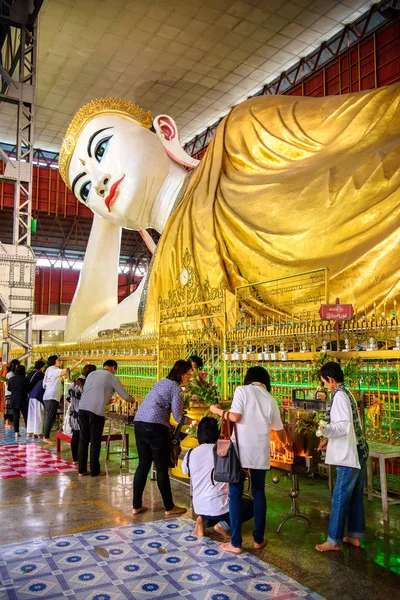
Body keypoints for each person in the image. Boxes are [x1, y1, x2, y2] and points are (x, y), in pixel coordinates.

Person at [59, 86, 400, 340]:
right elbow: (78, 336)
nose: (98, 183)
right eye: (85, 189)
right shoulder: (160, 279)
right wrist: (105, 216)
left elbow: (376, 118)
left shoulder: (243, 133)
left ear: (164, 131)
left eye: (102, 148)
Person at [210, 366, 287, 554]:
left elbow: (235, 416)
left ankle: (235, 543)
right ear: (264, 381)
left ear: (248, 378)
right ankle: (258, 540)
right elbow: (280, 431)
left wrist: (217, 410)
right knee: (259, 492)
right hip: (260, 453)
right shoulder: (270, 399)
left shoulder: (241, 390)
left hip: (239, 453)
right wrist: (287, 445)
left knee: (235, 493)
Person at [315, 362, 369, 553]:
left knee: (339, 496)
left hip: (350, 454)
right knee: (354, 496)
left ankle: (333, 540)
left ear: (331, 379)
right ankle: (354, 535)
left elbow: (344, 425)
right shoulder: (346, 393)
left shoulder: (339, 396)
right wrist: (328, 440)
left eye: (325, 383)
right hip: (359, 450)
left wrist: (324, 431)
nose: (325, 387)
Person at [133, 359, 192, 516]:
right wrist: (193, 421)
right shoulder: (177, 389)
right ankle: (169, 507)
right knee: (161, 468)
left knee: (143, 465)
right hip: (155, 428)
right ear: (182, 373)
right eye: (188, 373)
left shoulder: (162, 382)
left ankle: (136, 505)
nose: (190, 376)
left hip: (139, 423)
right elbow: (179, 417)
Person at [182, 416, 253, 539]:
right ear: (218, 433)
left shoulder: (190, 453)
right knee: (251, 505)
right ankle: (222, 526)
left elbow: (185, 470)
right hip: (220, 506)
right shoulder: (224, 451)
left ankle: (202, 520)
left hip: (198, 506)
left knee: (212, 507)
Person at [78, 359, 132, 477]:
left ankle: (81, 470)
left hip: (82, 409)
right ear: (113, 368)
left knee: (83, 440)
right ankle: (94, 471)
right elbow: (125, 396)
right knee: (95, 441)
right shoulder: (111, 377)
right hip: (96, 411)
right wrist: (132, 400)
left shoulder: (92, 374)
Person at [42, 355, 85, 444]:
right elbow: (68, 370)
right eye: (58, 360)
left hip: (49, 396)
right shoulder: (54, 370)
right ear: (54, 361)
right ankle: (46, 437)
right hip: (52, 397)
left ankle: (46, 435)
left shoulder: (49, 370)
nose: (60, 361)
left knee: (49, 416)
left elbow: (44, 384)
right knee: (50, 417)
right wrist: (79, 362)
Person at [66, 364, 97, 464]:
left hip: (74, 412)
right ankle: (81, 459)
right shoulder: (86, 383)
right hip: (83, 414)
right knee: (83, 438)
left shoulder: (74, 381)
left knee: (75, 435)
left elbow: (67, 397)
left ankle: (75, 459)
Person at [8, 365, 30, 439]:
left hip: (14, 399)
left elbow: (9, 389)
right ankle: (28, 431)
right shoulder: (25, 379)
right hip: (23, 399)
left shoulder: (11, 379)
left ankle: (16, 432)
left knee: (15, 416)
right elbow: (28, 390)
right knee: (25, 415)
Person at [26, 360, 46, 438]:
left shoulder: (30, 373)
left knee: (31, 414)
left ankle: (30, 432)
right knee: (38, 414)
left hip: (30, 395)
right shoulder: (40, 375)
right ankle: (38, 433)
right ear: (41, 367)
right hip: (38, 396)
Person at [4, 359, 20, 428]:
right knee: (9, 408)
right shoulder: (11, 374)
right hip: (10, 393)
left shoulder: (11, 373)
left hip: (10, 393)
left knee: (10, 408)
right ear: (16, 366)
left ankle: (9, 422)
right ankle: (7, 422)